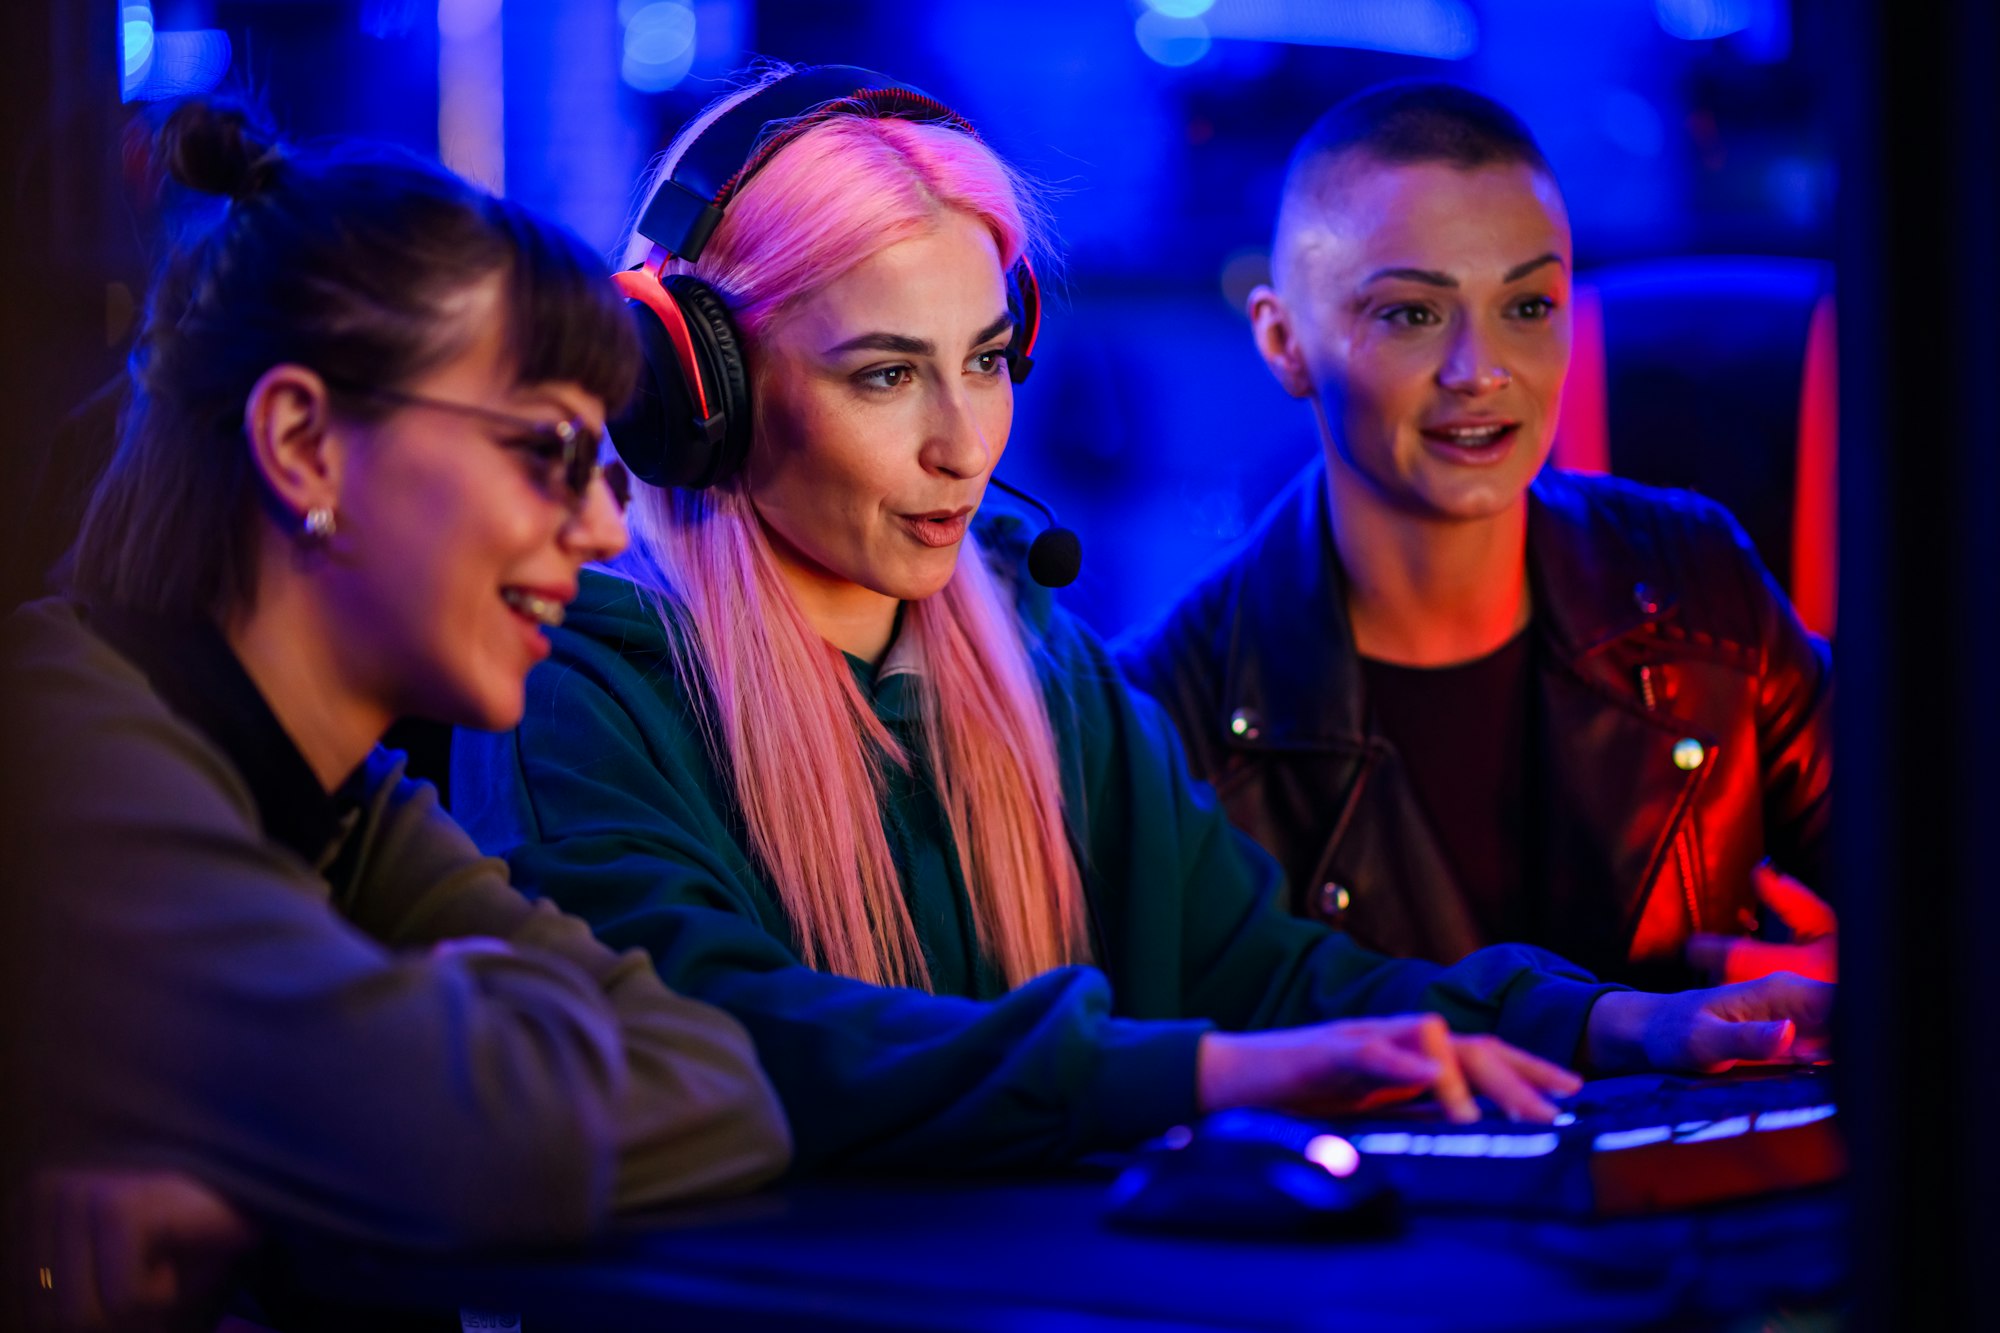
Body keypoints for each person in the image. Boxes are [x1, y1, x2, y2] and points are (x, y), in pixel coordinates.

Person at [450, 64, 1832, 1179]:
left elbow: (1262, 969)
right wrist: (1192, 1074)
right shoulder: (570, 674)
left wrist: (1603, 1023)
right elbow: (721, 1027)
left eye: (985, 361)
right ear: (703, 393)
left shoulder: (1024, 647)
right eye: (885, 376)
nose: (963, 445)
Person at [0, 98, 789, 1331]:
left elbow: (724, 1083)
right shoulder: (59, 773)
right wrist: (418, 1098)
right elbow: (488, 1141)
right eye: (547, 452)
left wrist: (280, 1185)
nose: (597, 528)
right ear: (305, 444)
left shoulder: (336, 802)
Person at [1115, 82, 1835, 992]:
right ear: (1284, 341)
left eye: (1528, 306)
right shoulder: (1162, 712)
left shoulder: (1698, 586)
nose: (1481, 371)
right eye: (1412, 313)